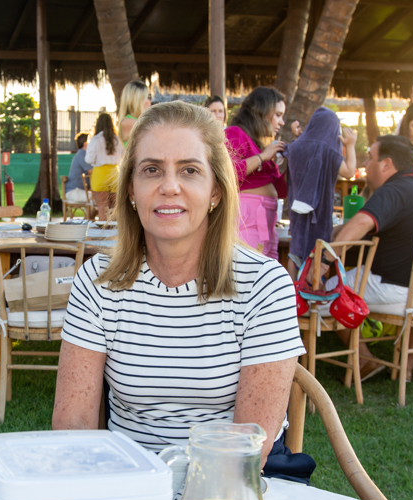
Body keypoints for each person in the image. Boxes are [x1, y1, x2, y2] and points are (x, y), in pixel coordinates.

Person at [52, 101, 305, 467]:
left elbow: (250, 444)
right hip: (129, 480)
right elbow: (72, 426)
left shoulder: (265, 287)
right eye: (152, 170)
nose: (169, 187)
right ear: (130, 191)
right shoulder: (97, 281)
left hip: (235, 484)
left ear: (216, 191)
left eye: (189, 170)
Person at [332, 135, 413, 381]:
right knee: (352, 277)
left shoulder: (394, 189)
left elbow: (363, 222)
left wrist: (325, 257)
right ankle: (404, 368)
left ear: (386, 165)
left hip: (404, 293)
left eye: (370, 157)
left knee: (328, 290)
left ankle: (364, 360)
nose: (366, 163)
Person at [286, 107, 357, 265]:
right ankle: (314, 287)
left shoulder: (296, 147)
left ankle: (292, 288)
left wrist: (298, 136)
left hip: (297, 209)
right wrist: (351, 145)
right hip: (320, 212)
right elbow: (349, 171)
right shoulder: (327, 150)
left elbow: (301, 150)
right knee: (317, 251)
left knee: (295, 250)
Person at [225, 86, 287, 259]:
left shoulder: (261, 145)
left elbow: (281, 191)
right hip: (247, 220)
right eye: (278, 115)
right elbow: (226, 173)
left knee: (265, 281)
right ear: (262, 112)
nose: (282, 122)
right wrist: (262, 157)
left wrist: (293, 166)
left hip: (268, 223)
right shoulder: (235, 133)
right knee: (245, 276)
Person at [85, 112, 124, 221]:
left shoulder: (95, 139)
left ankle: (103, 236)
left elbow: (89, 159)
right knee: (114, 210)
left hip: (100, 174)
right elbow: (123, 156)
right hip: (114, 173)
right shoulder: (117, 139)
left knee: (102, 209)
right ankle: (115, 236)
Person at [117, 80, 151, 144]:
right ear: (138, 101)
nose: (150, 101)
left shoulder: (137, 121)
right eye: (148, 97)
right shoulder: (128, 122)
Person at [65, 132, 91, 205]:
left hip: (79, 191)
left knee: (98, 198)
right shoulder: (82, 155)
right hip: (74, 191)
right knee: (98, 198)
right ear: (85, 144)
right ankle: (90, 216)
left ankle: (90, 216)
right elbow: (91, 171)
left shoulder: (83, 154)